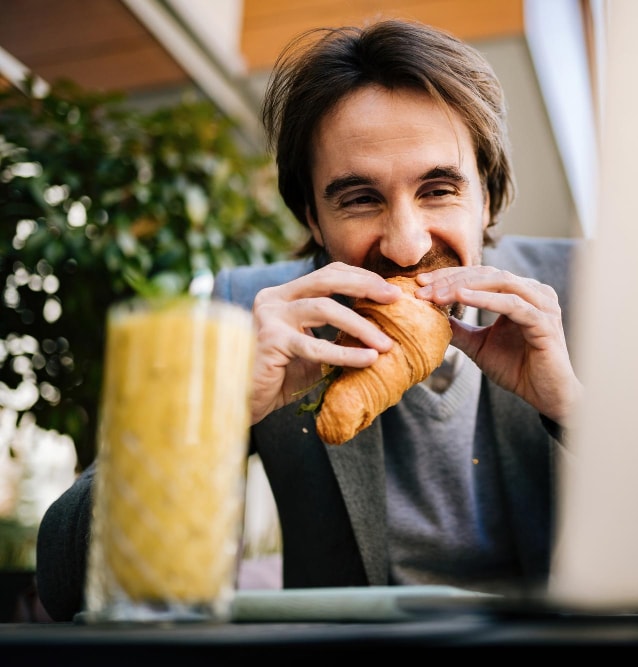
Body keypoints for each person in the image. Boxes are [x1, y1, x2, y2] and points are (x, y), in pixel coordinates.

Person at [35, 18, 583, 622]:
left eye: (438, 190)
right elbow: (64, 581)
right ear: (313, 221)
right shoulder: (251, 314)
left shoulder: (587, 294)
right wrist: (217, 412)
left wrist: (574, 413)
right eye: (359, 198)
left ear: (488, 196)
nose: (404, 244)